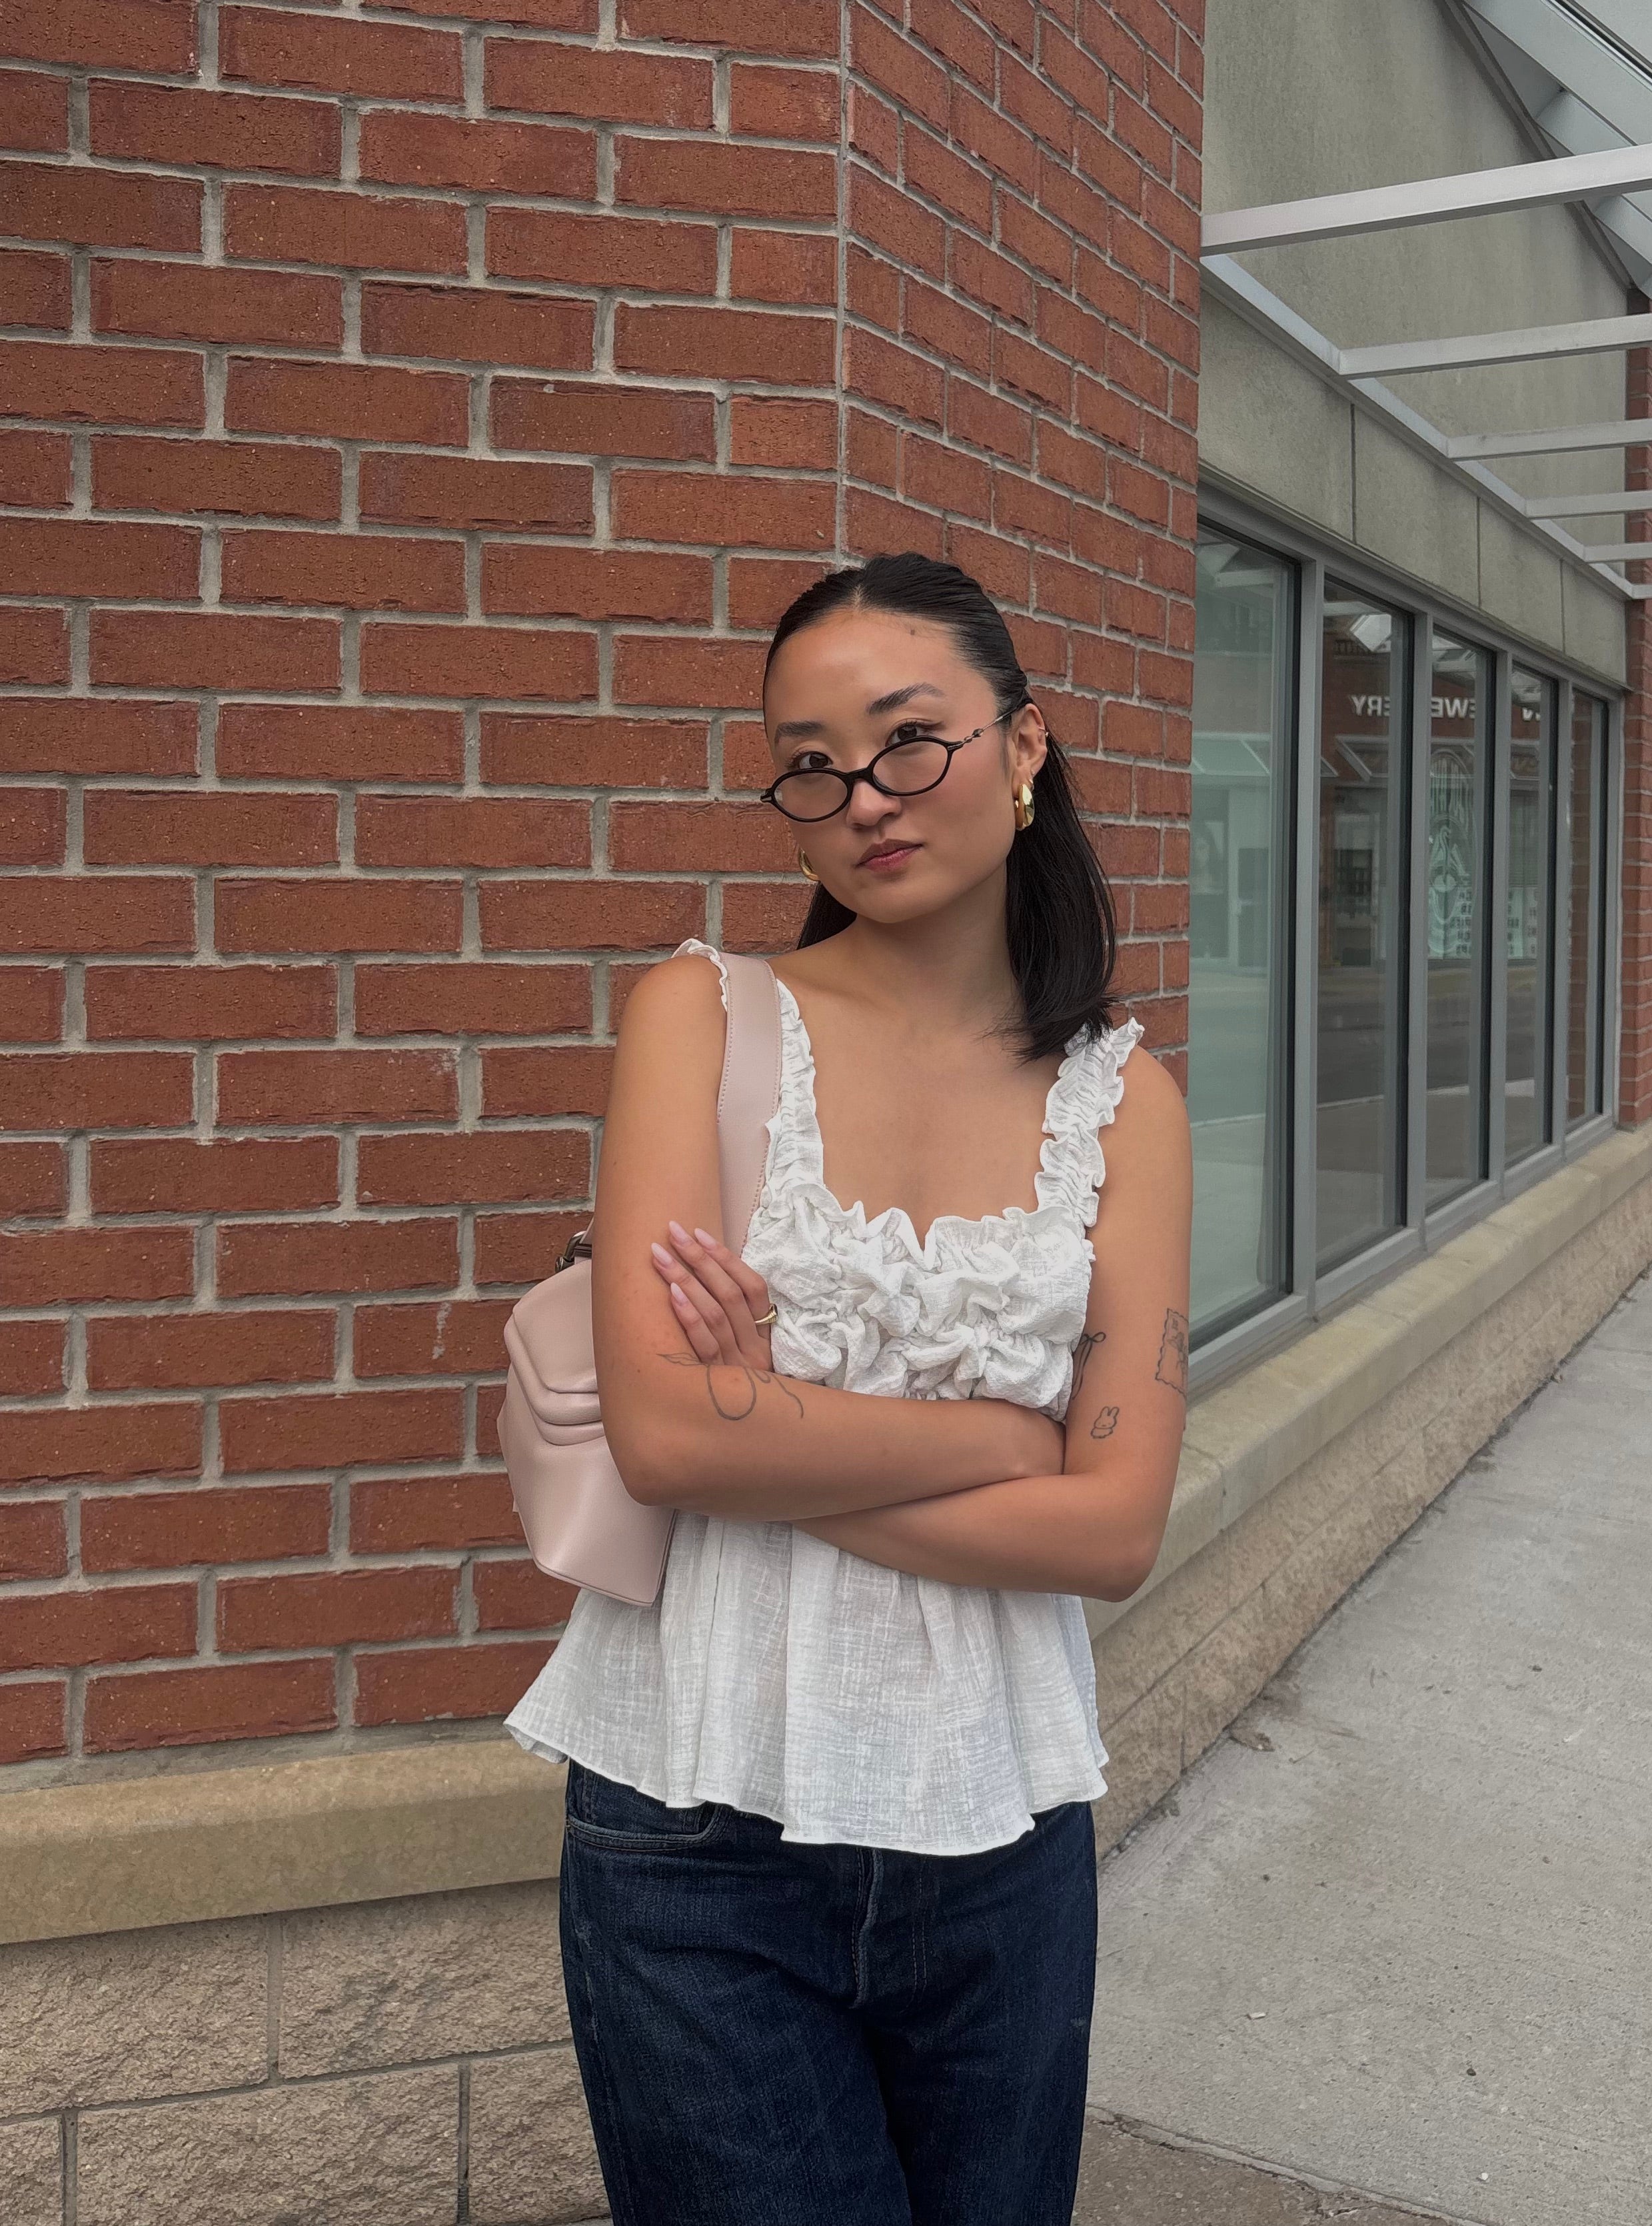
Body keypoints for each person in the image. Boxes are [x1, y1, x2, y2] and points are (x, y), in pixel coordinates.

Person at [504, 552, 1192, 2226]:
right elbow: (665, 1433)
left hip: (999, 1834)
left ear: (1025, 746)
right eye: (808, 764)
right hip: (695, 1820)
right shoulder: (702, 1017)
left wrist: (776, 1435)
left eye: (907, 739)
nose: (860, 797)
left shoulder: (1126, 1100)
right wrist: (987, 1435)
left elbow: (1108, 1528)